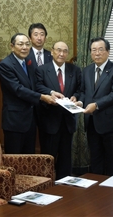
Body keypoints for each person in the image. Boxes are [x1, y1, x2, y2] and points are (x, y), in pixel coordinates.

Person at [77, 37, 113, 176]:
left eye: (100, 49)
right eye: (93, 50)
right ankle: (96, 194)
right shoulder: (86, 70)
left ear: (108, 52)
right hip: (92, 123)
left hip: (111, 124)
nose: (97, 53)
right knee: (95, 160)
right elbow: (83, 91)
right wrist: (80, 102)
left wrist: (96, 105)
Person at [0, 33, 54, 154]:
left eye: (27, 44)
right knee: (15, 158)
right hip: (15, 121)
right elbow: (18, 89)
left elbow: (36, 85)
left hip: (30, 119)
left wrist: (51, 92)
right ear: (12, 46)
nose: (24, 47)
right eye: (20, 44)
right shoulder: (5, 65)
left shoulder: (29, 63)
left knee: (29, 159)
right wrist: (42, 97)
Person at [36, 41, 81, 180]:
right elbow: (37, 87)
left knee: (66, 158)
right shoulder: (42, 70)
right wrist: (50, 92)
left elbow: (81, 90)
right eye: (58, 50)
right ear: (52, 52)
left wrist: (76, 97)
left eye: (65, 51)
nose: (62, 54)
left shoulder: (75, 70)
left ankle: (64, 186)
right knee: (48, 158)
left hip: (68, 121)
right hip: (49, 120)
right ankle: (47, 185)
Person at [26, 23, 53, 151]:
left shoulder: (51, 56)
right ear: (30, 38)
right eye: (35, 34)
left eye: (42, 34)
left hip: (47, 105)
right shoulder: (24, 55)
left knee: (47, 142)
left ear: (45, 37)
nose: (39, 37)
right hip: (29, 104)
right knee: (29, 142)